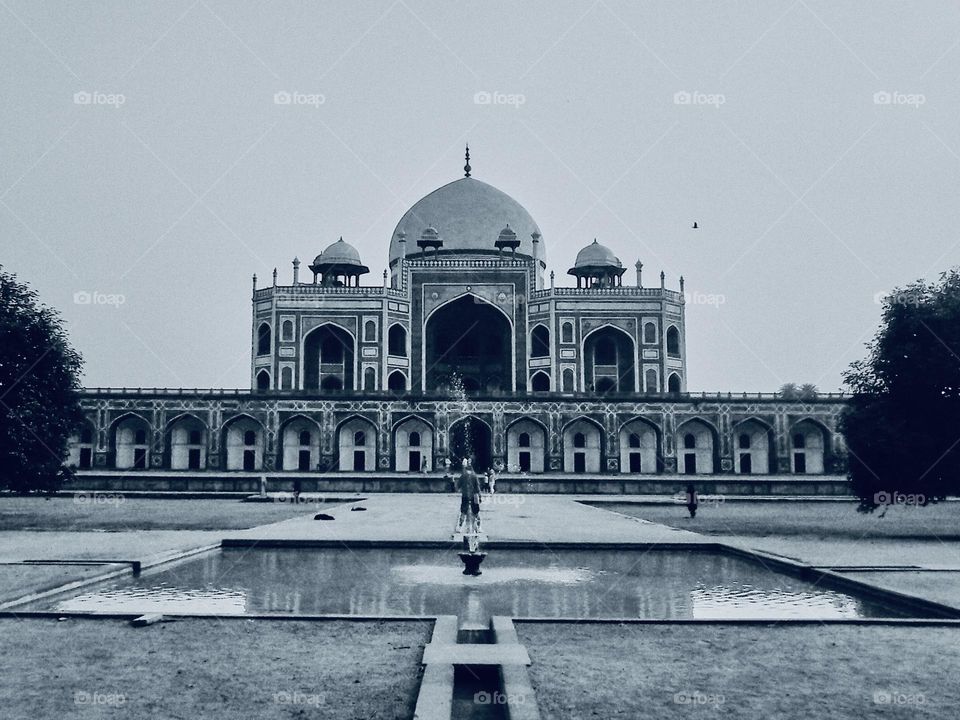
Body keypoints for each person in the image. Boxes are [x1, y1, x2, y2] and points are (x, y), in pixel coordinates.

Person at [455, 459, 482, 534]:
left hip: (465, 496)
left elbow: (458, 486)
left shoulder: (463, 475)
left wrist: (459, 489)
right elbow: (478, 487)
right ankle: (479, 527)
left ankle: (459, 527)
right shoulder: (474, 475)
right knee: (476, 512)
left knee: (463, 512)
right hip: (474, 496)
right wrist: (480, 497)